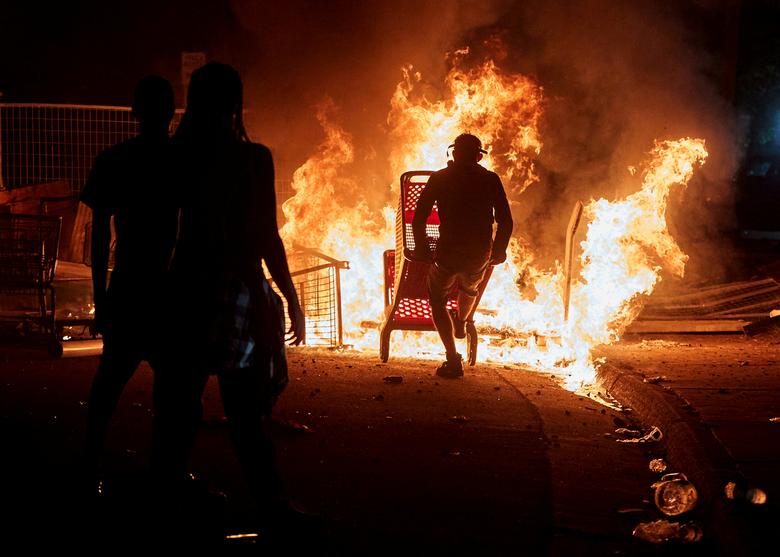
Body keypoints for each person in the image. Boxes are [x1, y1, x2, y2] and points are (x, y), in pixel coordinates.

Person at [156, 62, 308, 537]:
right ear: (236, 103)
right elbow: (268, 235)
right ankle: (272, 505)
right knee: (247, 411)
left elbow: (161, 232)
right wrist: (289, 295)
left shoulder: (177, 156)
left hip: (186, 290)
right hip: (241, 293)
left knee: (179, 404)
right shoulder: (254, 158)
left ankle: (169, 497)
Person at [80, 76, 177, 489]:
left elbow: (101, 236)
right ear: (171, 113)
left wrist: (101, 296)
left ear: (135, 113)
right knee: (174, 387)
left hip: (130, 284)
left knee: (110, 380)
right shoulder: (182, 160)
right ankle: (165, 473)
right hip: (170, 289)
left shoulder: (115, 159)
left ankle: (87, 462)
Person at [410, 133, 513, 378]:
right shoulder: (489, 179)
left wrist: (423, 247)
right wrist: (499, 249)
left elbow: (419, 218)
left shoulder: (439, 178)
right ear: (478, 156)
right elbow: (505, 220)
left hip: (448, 251)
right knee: (469, 287)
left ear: (454, 153)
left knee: (437, 300)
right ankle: (462, 320)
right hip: (479, 252)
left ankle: (452, 358)